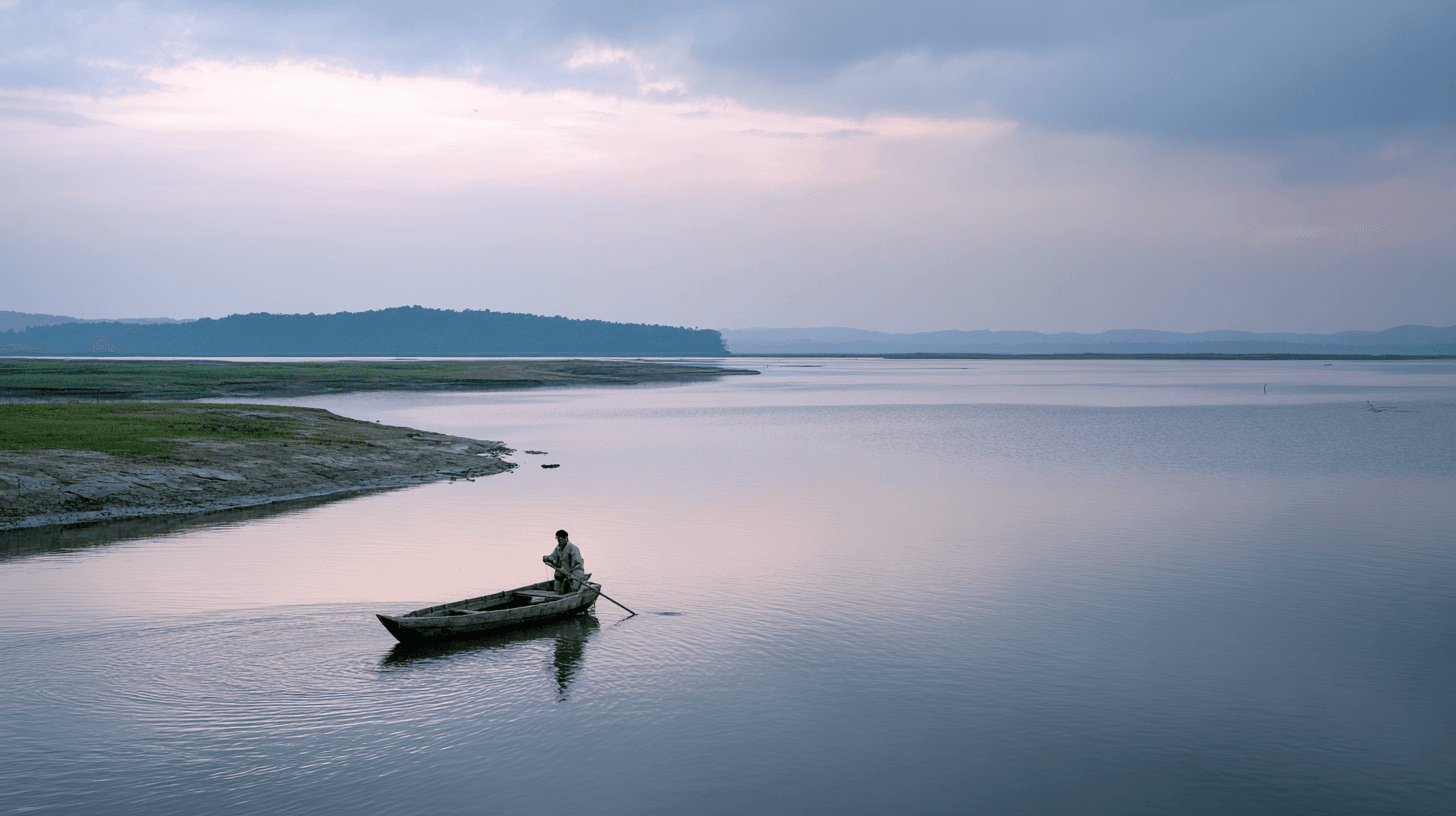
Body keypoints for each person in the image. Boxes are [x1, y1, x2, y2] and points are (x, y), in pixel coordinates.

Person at [543, 529, 586, 593]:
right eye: (557, 539)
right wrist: (547, 558)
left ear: (565, 539)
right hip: (562, 572)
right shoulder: (558, 548)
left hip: (574, 574)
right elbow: (553, 556)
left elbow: (578, 564)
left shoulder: (573, 548)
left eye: (560, 539)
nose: (558, 541)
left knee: (572, 589)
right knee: (557, 588)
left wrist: (571, 575)